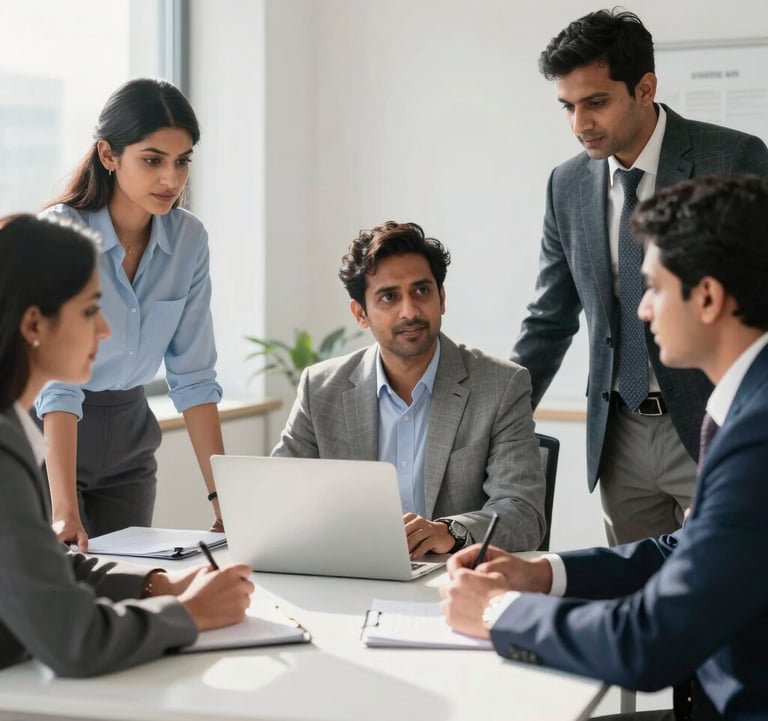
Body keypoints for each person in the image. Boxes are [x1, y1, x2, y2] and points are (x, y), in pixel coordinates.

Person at [441, 174, 768, 720]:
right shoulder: (746, 402)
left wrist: (499, 611)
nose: (641, 311)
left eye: (655, 289)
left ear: (708, 297)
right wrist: (540, 574)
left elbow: (649, 643)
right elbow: (687, 550)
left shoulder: (757, 432)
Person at [511, 9, 768, 545]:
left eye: (596, 102)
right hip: (618, 432)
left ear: (645, 88)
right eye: (569, 106)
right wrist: (497, 419)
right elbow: (550, 317)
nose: (580, 123)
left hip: (711, 421)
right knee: (629, 588)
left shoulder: (735, 157)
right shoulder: (567, 185)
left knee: (723, 596)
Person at [0, 214, 253, 677]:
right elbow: (72, 640)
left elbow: (46, 569)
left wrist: (161, 584)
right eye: (91, 310)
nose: (106, 331)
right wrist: (193, 613)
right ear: (35, 323)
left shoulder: (13, 429)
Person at [272, 221, 545, 556]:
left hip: (456, 580)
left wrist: (451, 531)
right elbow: (280, 497)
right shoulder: (322, 389)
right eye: (389, 297)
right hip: (352, 576)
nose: (410, 311)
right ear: (361, 313)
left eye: (421, 291)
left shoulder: (501, 385)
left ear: (441, 298)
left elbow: (523, 514)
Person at [36, 78, 226, 550]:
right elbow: (58, 383)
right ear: (108, 155)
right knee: (59, 591)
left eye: (182, 161)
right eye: (152, 160)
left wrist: (225, 503)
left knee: (131, 582)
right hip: (52, 434)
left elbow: (195, 377)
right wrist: (64, 511)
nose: (172, 179)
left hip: (132, 438)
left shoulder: (189, 240)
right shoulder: (62, 232)